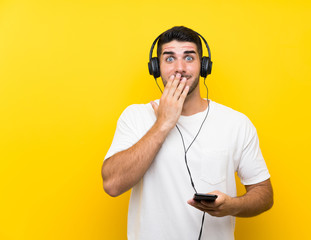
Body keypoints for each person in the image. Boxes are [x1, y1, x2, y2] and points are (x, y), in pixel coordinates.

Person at [101, 26, 273, 240]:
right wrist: (163, 124)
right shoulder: (135, 116)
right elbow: (112, 185)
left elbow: (264, 195)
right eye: (170, 59)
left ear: (204, 66)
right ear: (156, 67)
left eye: (189, 58)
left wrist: (232, 206)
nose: (179, 68)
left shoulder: (236, 123)